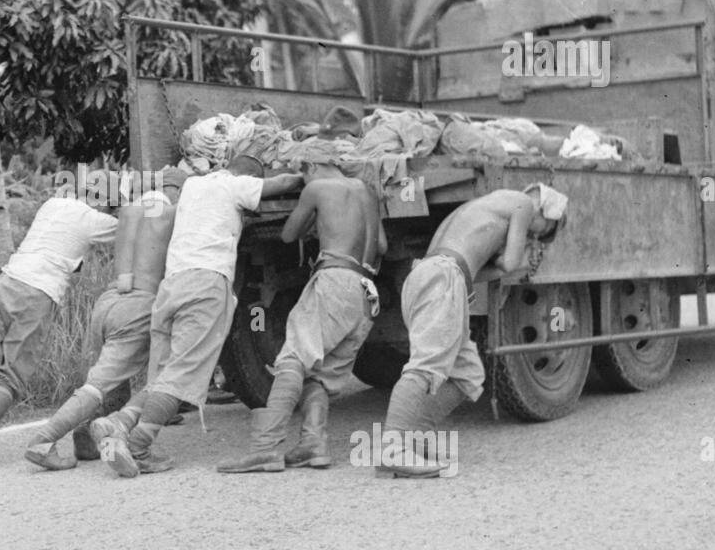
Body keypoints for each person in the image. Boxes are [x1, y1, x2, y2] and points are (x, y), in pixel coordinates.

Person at [91, 155, 304, 477]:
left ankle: (116, 422)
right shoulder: (233, 183)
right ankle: (138, 447)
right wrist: (307, 174)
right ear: (246, 175)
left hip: (170, 286)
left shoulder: (192, 185)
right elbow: (284, 184)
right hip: (205, 285)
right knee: (182, 377)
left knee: (164, 374)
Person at [381, 183, 568, 479]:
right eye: (543, 231)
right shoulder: (524, 203)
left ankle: (415, 436)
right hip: (443, 278)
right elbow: (509, 263)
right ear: (549, 211)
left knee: (468, 373)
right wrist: (524, 256)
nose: (537, 235)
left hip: (433, 274)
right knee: (425, 366)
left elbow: (475, 268)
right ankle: (393, 448)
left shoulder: (490, 204)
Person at [0, 191, 118, 471]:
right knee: (11, 379)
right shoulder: (93, 219)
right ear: (102, 202)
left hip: (4, 283)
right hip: (36, 293)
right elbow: (135, 227)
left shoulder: (52, 204)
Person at [217, 163, 385, 473]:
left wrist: (316, 224)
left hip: (334, 280)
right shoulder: (366, 192)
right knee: (320, 373)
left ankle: (265, 448)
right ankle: (313, 444)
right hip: (366, 291)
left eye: (302, 172)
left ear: (313, 166)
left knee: (293, 358)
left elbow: (288, 234)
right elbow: (382, 246)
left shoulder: (317, 188)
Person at [24, 169, 187, 471]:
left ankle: (87, 441)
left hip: (108, 302)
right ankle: (43, 440)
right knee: (103, 386)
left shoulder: (129, 210)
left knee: (110, 383)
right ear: (174, 190)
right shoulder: (174, 213)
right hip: (138, 304)